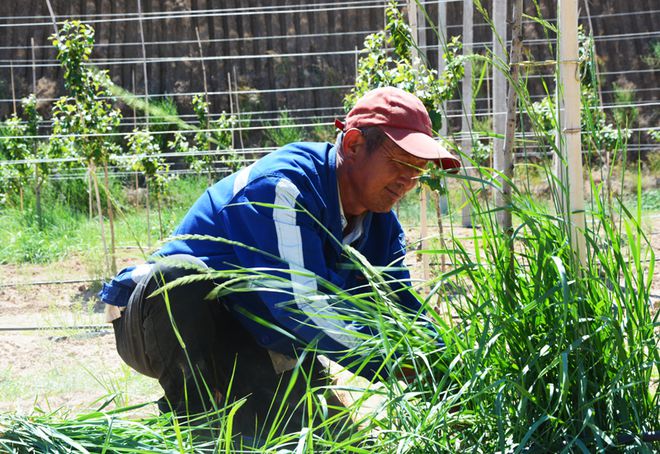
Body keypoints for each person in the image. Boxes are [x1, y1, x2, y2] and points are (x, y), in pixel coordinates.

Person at [100, 86, 460, 436]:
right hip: (157, 319)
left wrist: (447, 367)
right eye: (400, 162)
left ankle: (238, 412)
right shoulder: (284, 188)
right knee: (179, 277)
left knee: (336, 442)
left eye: (418, 169)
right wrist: (394, 363)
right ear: (353, 145)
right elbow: (300, 307)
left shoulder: (379, 223)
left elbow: (401, 308)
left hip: (253, 331)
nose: (409, 180)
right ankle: (196, 423)